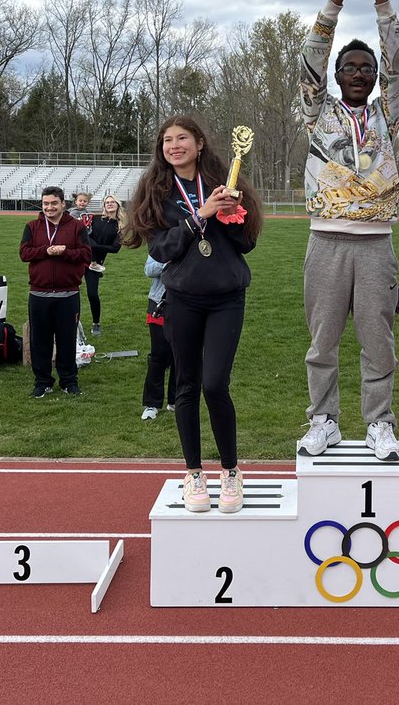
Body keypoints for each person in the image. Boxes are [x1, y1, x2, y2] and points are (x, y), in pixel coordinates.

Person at [297, 0, 399, 462]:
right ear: (337, 76)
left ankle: (379, 424)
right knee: (322, 342)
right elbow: (311, 58)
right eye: (351, 67)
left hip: (375, 244)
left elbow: (398, 62)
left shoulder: (388, 114)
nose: (360, 73)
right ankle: (324, 420)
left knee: (377, 341)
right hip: (326, 242)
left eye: (367, 67)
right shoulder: (317, 112)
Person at [126, 115, 262, 514]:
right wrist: (200, 215)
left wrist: (231, 215)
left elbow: (246, 243)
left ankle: (231, 470)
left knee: (215, 384)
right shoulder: (156, 191)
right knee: (186, 385)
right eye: (167, 140)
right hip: (182, 298)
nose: (174, 145)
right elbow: (160, 250)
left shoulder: (225, 182)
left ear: (199, 143)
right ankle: (194, 473)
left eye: (182, 137)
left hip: (226, 298)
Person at [20, 186, 91, 398]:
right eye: (45, 204)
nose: (49, 207)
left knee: (67, 340)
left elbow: (86, 254)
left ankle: (69, 381)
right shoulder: (32, 226)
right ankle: (42, 382)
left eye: (53, 203)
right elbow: (24, 253)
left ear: (62, 204)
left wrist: (65, 253)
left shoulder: (77, 227)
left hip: (68, 294)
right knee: (39, 341)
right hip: (39, 293)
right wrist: (46, 251)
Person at [140, 255, 176, 421]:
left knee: (181, 355)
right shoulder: (161, 244)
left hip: (187, 303)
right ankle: (152, 404)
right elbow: (149, 270)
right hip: (160, 303)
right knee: (159, 354)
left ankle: (176, 400)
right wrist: (168, 260)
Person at [85, 195, 124, 337]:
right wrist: (93, 245)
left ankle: (96, 323)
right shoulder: (95, 218)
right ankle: (71, 321)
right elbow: (84, 235)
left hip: (95, 264)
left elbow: (115, 248)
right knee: (70, 290)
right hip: (80, 258)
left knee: (92, 294)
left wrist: (95, 246)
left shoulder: (120, 226)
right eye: (107, 202)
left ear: (117, 205)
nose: (110, 204)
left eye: (112, 202)